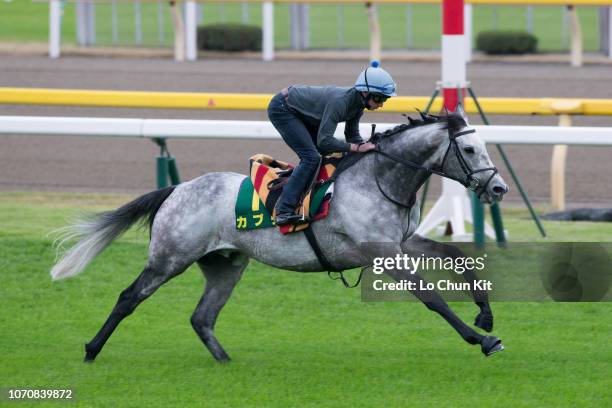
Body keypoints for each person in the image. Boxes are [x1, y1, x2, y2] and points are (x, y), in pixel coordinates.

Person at [267, 60, 397, 226]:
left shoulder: (357, 105)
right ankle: (283, 211)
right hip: (283, 108)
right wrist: (357, 147)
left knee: (320, 155)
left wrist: (368, 147)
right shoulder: (341, 102)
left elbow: (351, 135)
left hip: (302, 111)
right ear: (365, 92)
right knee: (311, 157)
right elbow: (325, 140)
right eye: (379, 99)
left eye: (384, 100)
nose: (380, 105)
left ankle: (304, 191)